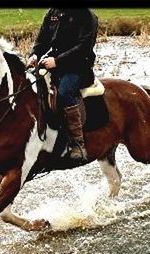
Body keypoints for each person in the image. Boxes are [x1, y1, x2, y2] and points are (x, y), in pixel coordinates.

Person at [27, 8, 98, 162]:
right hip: (54, 64)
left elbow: (84, 47)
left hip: (78, 66)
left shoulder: (86, 15)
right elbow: (42, 40)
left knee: (65, 93)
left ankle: (78, 144)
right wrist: (34, 54)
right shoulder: (52, 13)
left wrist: (57, 61)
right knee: (31, 86)